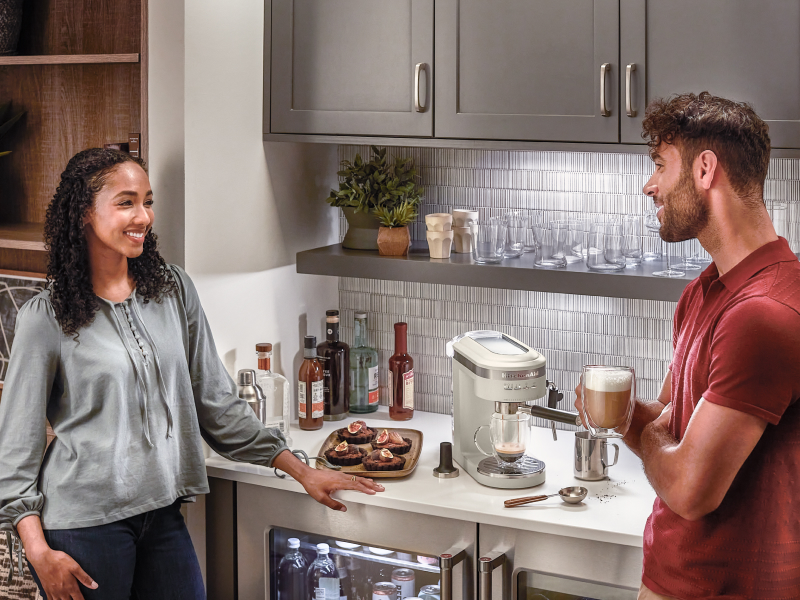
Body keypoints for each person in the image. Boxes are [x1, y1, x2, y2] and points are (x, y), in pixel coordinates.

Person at [0, 148, 384, 600]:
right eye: (125, 202)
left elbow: (216, 402)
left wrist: (301, 470)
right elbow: (16, 449)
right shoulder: (46, 317)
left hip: (162, 513)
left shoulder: (172, 289)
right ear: (84, 212)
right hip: (83, 527)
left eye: (147, 200)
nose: (143, 216)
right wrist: (38, 552)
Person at [576, 92, 800, 600]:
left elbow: (690, 489)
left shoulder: (764, 314)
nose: (649, 185)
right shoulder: (703, 292)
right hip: (669, 579)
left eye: (660, 165)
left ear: (704, 170)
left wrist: (638, 426)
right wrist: (629, 416)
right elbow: (670, 424)